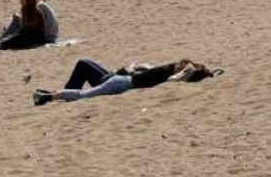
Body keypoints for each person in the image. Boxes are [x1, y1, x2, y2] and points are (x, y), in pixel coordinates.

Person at [34, 58, 219, 104]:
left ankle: (49, 95)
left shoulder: (171, 72)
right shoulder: (175, 72)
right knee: (84, 95)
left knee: (85, 93)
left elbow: (175, 77)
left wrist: (210, 73)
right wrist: (191, 70)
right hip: (121, 82)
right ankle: (48, 97)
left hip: (122, 81)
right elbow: (176, 76)